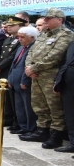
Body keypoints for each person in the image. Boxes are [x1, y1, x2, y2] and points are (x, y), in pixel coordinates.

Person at [21, 9, 74, 148]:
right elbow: (31, 51)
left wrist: (34, 68)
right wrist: (29, 67)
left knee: (55, 107)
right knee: (39, 105)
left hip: (51, 76)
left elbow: (56, 56)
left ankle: (56, 136)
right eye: (45, 18)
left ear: (60, 20)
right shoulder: (44, 33)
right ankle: (42, 131)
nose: (45, 20)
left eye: (49, 18)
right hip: (36, 75)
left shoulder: (66, 35)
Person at [0, 16, 26, 128]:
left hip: (9, 71)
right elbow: (1, 54)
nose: (9, 27)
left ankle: (14, 120)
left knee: (12, 99)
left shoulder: (21, 39)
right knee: (5, 98)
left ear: (20, 26)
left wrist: (0, 66)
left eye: (12, 25)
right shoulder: (8, 39)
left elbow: (12, 56)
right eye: (8, 25)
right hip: (1, 72)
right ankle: (6, 117)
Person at [7, 26, 38, 135]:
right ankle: (23, 126)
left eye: (22, 37)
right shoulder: (20, 47)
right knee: (19, 107)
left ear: (32, 37)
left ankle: (31, 128)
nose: (19, 39)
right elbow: (14, 64)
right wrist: (10, 78)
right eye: (18, 37)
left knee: (28, 107)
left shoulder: (34, 48)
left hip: (24, 82)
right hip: (15, 81)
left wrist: (25, 81)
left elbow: (29, 65)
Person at [54, 39, 74, 154]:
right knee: (70, 114)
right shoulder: (72, 43)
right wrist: (58, 81)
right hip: (69, 83)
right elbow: (66, 63)